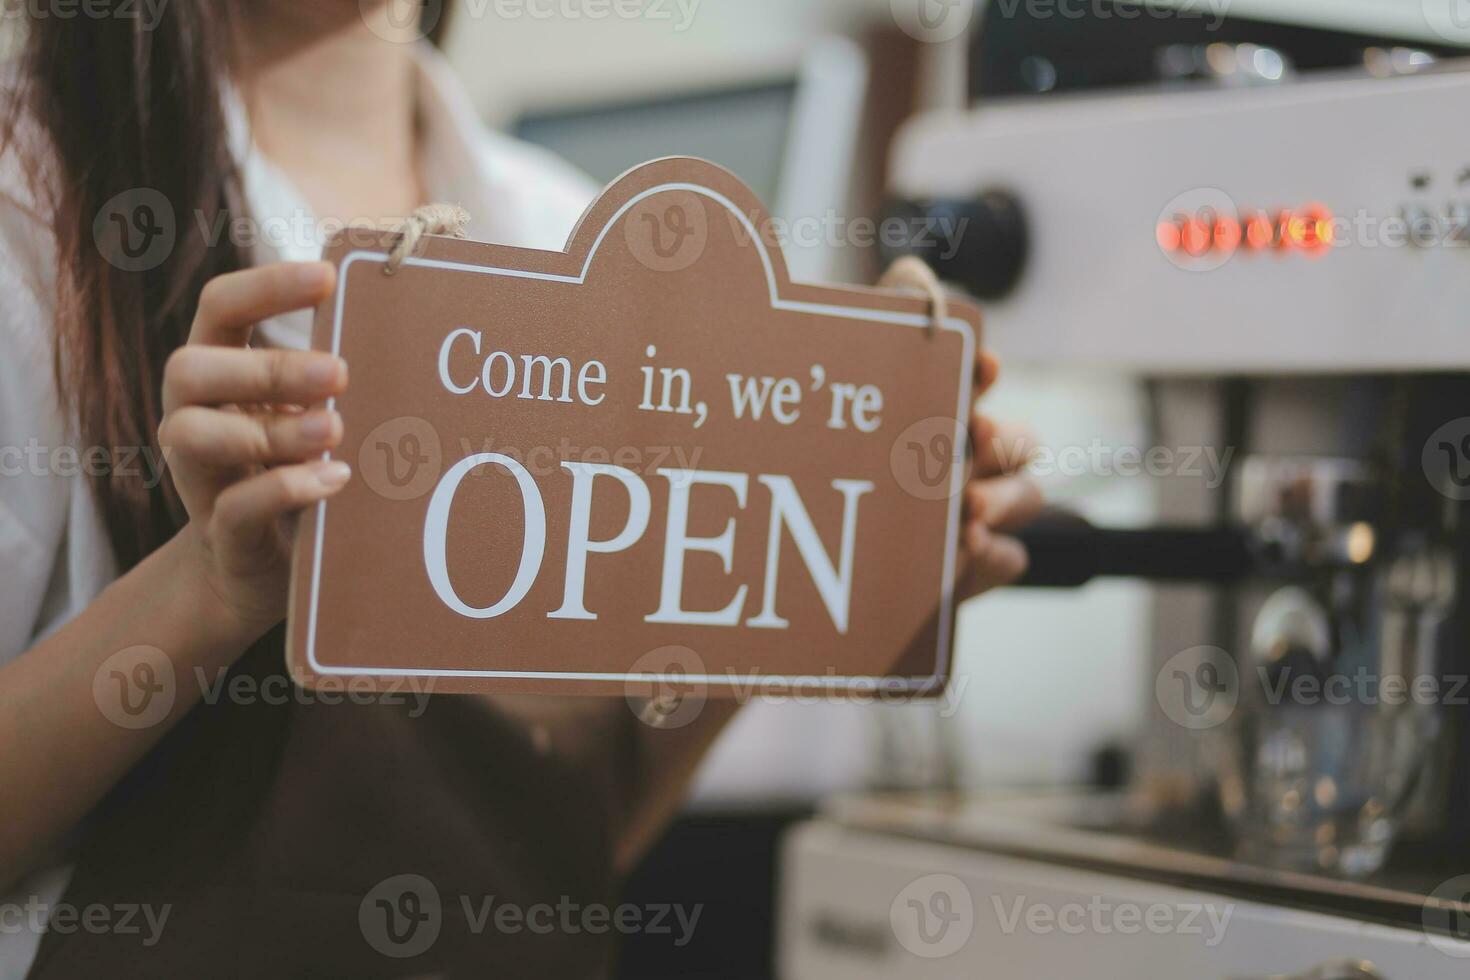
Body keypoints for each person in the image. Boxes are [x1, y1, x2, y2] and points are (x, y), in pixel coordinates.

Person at [0, 2, 1042, 974]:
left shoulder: (566, 235)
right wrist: (203, 594)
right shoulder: (31, 208)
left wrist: (814, 582)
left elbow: (546, 835)